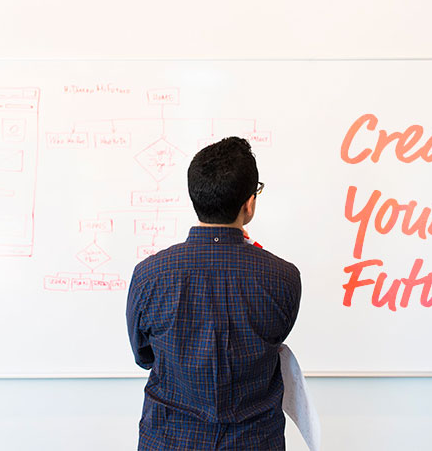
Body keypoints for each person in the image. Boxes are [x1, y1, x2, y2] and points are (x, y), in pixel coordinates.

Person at [126, 136, 302, 450]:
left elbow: (144, 356)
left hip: (169, 440)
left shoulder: (148, 275)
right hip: (255, 442)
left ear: (196, 197)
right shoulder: (284, 278)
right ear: (249, 203)